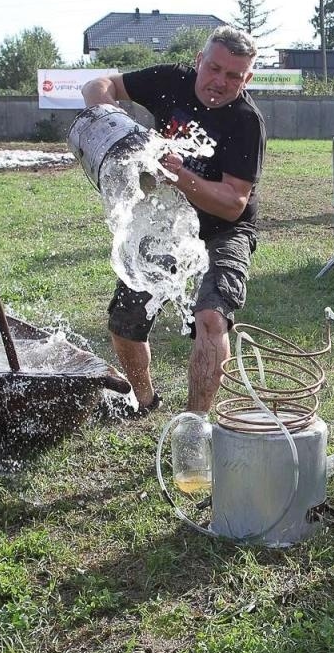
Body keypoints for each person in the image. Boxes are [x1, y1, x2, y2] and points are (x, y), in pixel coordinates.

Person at [80, 26, 265, 417]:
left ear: (247, 78)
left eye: (234, 76)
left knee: (211, 318)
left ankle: (194, 425)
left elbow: (233, 204)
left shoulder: (246, 122)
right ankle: (144, 399)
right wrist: (114, 122)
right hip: (167, 220)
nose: (220, 82)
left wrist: (179, 175)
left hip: (224, 231)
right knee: (125, 323)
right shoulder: (171, 80)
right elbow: (97, 85)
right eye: (214, 68)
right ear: (199, 61)